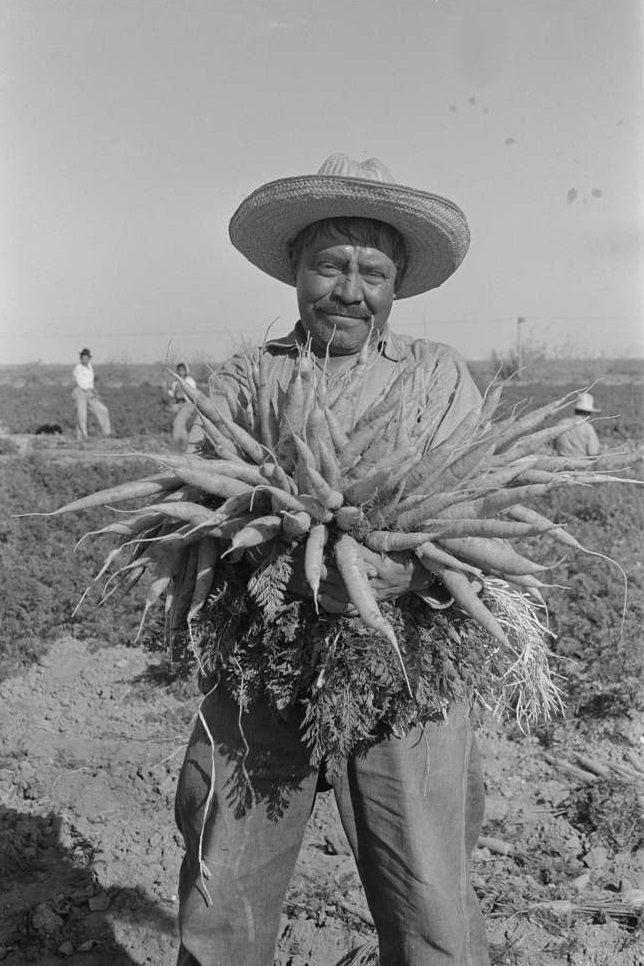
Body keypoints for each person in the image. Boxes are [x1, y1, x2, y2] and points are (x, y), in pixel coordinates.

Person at [175, 154, 490, 966]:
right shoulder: (251, 376)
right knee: (223, 899)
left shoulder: (438, 376)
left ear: (396, 284)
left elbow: (471, 510)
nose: (349, 290)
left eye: (371, 271)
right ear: (295, 270)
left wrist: (413, 573)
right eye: (330, 266)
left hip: (406, 663)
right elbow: (212, 511)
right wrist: (269, 551)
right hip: (261, 660)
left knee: (432, 906)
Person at [71, 348, 112, 440]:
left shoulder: (90, 367)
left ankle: (107, 433)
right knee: (81, 415)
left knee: (103, 410)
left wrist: (93, 391)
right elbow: (81, 383)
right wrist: (89, 390)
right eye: (83, 357)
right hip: (80, 392)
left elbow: (90, 381)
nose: (85, 359)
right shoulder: (78, 368)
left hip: (89, 392)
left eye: (87, 357)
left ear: (89, 358)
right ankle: (82, 436)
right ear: (81, 358)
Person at [553, 391, 601, 457]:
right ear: (587, 413)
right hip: (581, 464)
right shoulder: (587, 428)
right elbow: (593, 453)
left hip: (560, 464)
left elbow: (554, 447)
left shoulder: (560, 424)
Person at [167, 362, 198, 449]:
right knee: (179, 424)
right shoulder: (175, 382)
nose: (181, 371)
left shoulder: (189, 381)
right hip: (178, 404)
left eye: (182, 370)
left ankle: (178, 444)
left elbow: (193, 393)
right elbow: (173, 394)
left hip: (187, 404)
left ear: (186, 371)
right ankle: (184, 445)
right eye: (179, 370)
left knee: (177, 423)